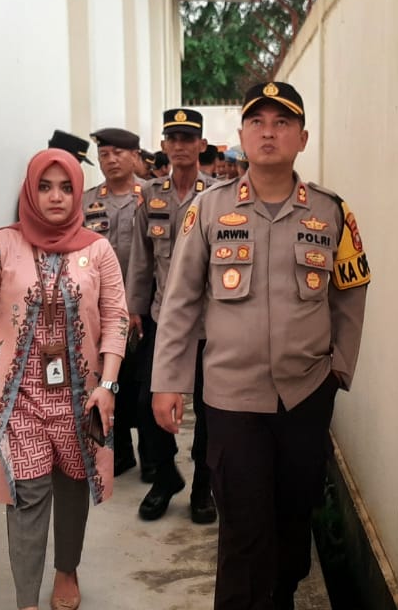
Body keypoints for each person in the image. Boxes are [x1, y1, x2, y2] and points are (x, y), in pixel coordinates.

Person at [151, 81, 370, 610]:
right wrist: (168, 381)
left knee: (294, 523)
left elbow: (351, 291)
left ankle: (282, 597)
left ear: (302, 138)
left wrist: (339, 370)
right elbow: (180, 300)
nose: (269, 133)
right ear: (242, 135)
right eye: (258, 122)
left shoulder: (332, 212)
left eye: (282, 123)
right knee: (243, 532)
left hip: (305, 395)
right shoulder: (207, 210)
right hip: (232, 399)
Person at [0, 149, 128, 610]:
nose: (56, 197)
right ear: (29, 192)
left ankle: (67, 569)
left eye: (66, 187)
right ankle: (26, 600)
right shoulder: (0, 245)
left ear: (78, 193)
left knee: (73, 486)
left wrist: (108, 386)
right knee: (27, 495)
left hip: (81, 397)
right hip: (19, 398)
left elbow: (116, 319)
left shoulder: (98, 249)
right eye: (45, 187)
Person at [126, 108, 218, 524]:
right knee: (148, 402)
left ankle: (203, 487)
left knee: (211, 408)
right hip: (164, 319)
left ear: (201, 144)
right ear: (164, 145)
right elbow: (142, 259)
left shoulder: (217, 195)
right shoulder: (151, 195)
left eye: (188, 138)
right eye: (173, 138)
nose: (180, 146)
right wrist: (134, 308)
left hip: (210, 323)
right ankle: (165, 477)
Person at [82, 127, 147, 478]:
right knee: (109, 379)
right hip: (100, 310)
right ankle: (119, 452)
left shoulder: (151, 196)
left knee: (145, 384)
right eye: (104, 154)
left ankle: (152, 456)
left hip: (145, 308)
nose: (111, 160)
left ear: (135, 156)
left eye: (118, 153)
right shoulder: (87, 202)